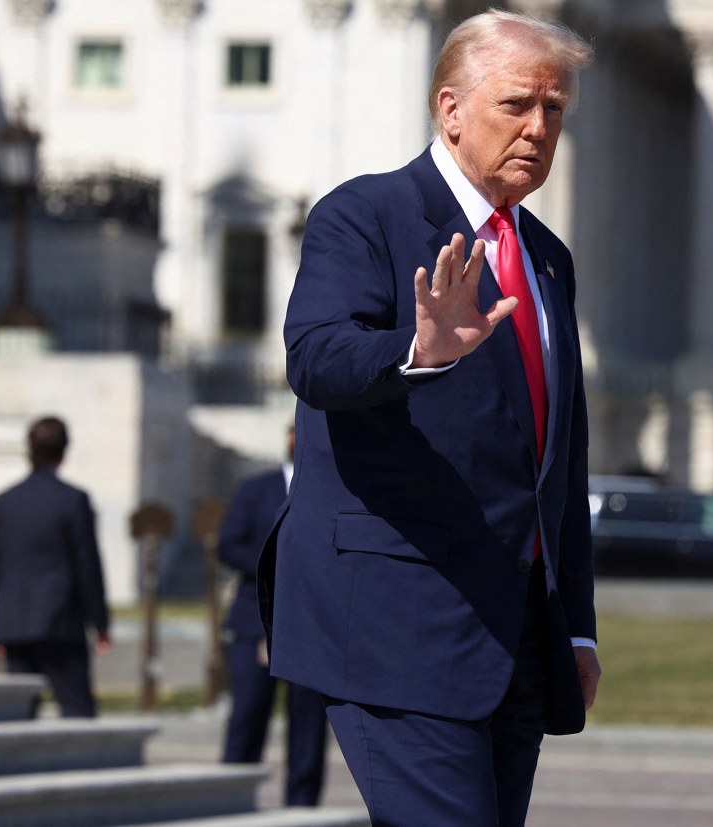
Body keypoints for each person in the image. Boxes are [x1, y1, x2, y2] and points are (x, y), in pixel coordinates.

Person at [259, 9, 600, 826]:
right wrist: (419, 349)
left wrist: (577, 629)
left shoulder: (548, 257)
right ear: (451, 110)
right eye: (516, 105)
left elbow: (561, 459)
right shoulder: (365, 215)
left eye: (553, 110)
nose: (538, 128)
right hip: (396, 622)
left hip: (516, 637)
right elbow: (315, 358)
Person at [219, 423, 327, 807]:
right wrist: (275, 566)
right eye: (294, 432)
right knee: (246, 717)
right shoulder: (256, 489)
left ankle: (302, 807)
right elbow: (228, 544)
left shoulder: (333, 488)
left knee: (308, 727)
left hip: (311, 625)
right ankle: (231, 800)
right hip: (255, 622)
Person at [0, 416, 111, 718]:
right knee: (78, 709)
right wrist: (101, 623)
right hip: (60, 622)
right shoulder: (72, 501)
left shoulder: (2, 503)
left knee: (19, 712)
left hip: (14, 622)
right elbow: (87, 565)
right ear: (64, 451)